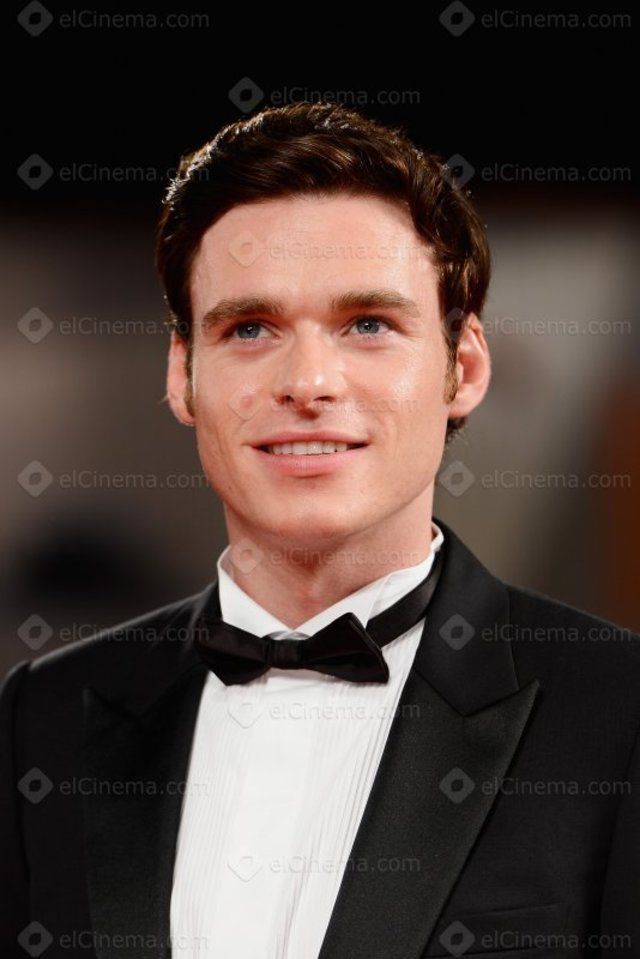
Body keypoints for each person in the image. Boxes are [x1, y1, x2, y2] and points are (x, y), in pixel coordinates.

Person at [1, 101, 638, 959]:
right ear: (184, 374)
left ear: (463, 367)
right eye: (250, 328)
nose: (308, 382)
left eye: (368, 324)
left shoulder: (618, 714)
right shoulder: (40, 716)